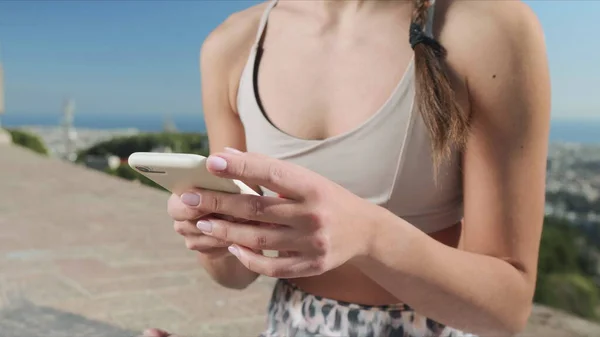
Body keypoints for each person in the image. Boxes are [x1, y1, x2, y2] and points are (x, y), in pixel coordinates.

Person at [143, 0, 550, 336]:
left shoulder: (488, 27)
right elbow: (233, 275)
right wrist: (215, 234)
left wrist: (367, 235)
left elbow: (506, 310)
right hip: (291, 324)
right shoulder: (232, 44)